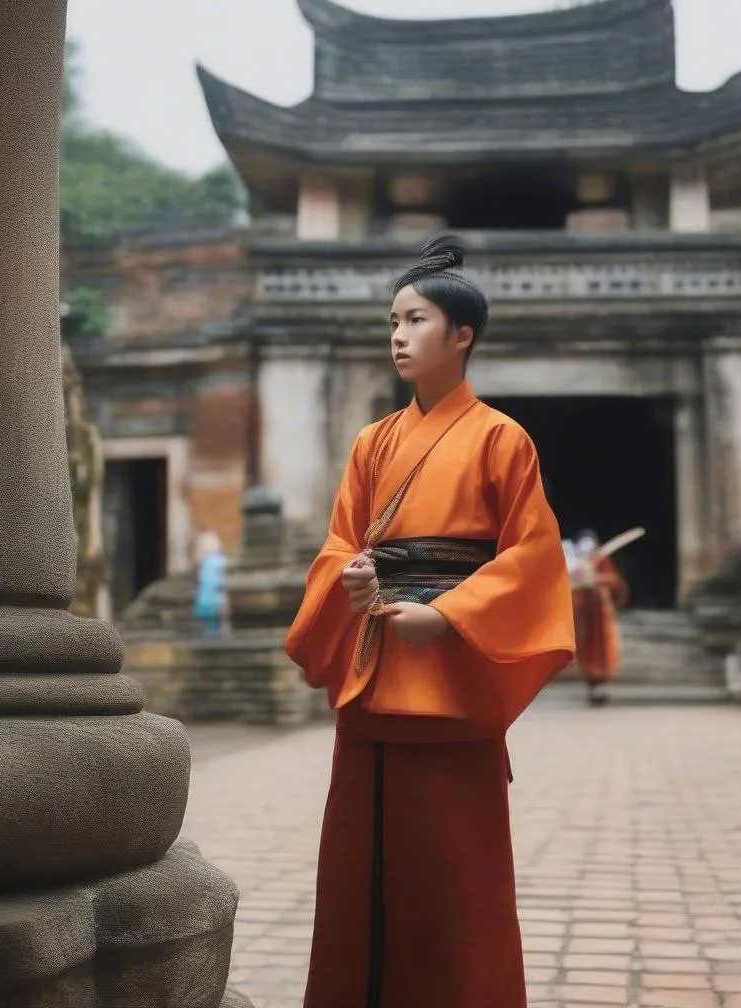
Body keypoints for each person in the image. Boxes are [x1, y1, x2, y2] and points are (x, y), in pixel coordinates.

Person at [285, 233, 575, 1008]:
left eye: (414, 320)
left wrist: (447, 614)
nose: (399, 337)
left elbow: (532, 557)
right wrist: (347, 582)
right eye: (391, 323)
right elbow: (343, 539)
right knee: (359, 860)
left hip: (447, 670)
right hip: (377, 657)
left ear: (462, 334)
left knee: (453, 865)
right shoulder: (372, 441)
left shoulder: (501, 438)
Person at [570, 528, 629, 706]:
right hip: (582, 614)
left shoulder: (602, 561)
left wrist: (596, 579)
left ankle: (602, 687)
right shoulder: (575, 561)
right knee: (585, 648)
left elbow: (614, 581)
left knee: (602, 648)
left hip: (599, 613)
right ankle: (591, 686)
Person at [192, 531, 228, 637]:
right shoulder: (221, 560)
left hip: (208, 603)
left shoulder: (207, 563)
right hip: (219, 601)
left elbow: (206, 585)